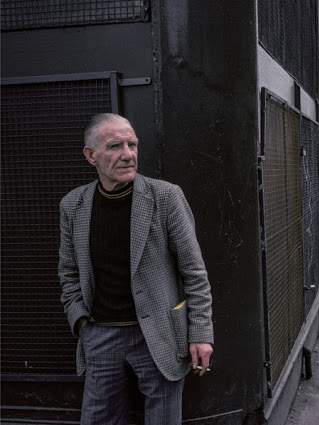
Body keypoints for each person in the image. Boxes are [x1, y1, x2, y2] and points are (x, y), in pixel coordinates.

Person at [59, 113, 214, 424]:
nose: (128, 154)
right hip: (100, 335)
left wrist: (200, 333)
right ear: (91, 155)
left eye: (132, 144)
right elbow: (68, 272)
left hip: (158, 335)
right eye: (114, 146)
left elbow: (194, 272)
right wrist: (82, 323)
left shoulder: (165, 197)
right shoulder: (73, 205)